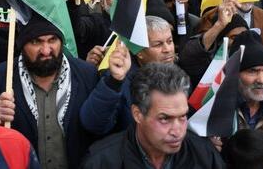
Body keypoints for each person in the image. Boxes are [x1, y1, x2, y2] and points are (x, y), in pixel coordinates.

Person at [0, 13, 100, 168]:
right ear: (22, 45)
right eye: (36, 42)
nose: (46, 50)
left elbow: (100, 127)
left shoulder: (87, 75)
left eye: (52, 40)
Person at [82, 63, 224, 168]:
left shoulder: (204, 155)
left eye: (182, 116)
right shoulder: (101, 162)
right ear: (137, 114)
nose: (177, 131)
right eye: (164, 119)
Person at [80, 15, 179, 136]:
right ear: (140, 52)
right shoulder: (117, 79)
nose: (168, 49)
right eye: (158, 44)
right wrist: (113, 82)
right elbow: (93, 124)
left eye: (170, 41)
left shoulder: (177, 75)